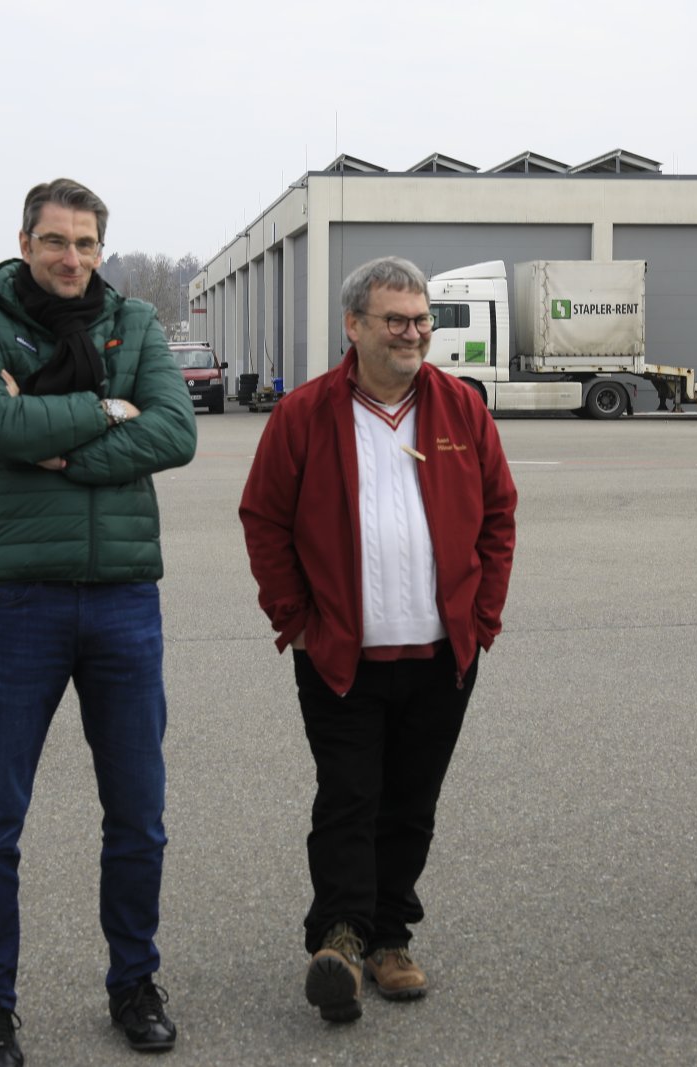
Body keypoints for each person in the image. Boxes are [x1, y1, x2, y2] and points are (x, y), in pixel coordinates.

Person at [0, 178, 196, 1062]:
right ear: (25, 241)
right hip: (17, 600)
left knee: (139, 814)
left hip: (124, 596)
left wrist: (55, 451)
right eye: (56, 241)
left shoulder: (136, 322)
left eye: (86, 244)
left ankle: (135, 981)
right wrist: (105, 410)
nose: (72, 258)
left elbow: (175, 431)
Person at [239, 256, 518, 1024]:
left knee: (411, 803)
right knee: (349, 797)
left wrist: (481, 618)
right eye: (396, 320)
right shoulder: (305, 414)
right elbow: (264, 518)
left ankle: (389, 936)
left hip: (441, 654)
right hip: (340, 655)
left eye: (421, 319)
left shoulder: (462, 409)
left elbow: (499, 514)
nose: (413, 333)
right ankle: (340, 936)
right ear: (354, 325)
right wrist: (294, 620)